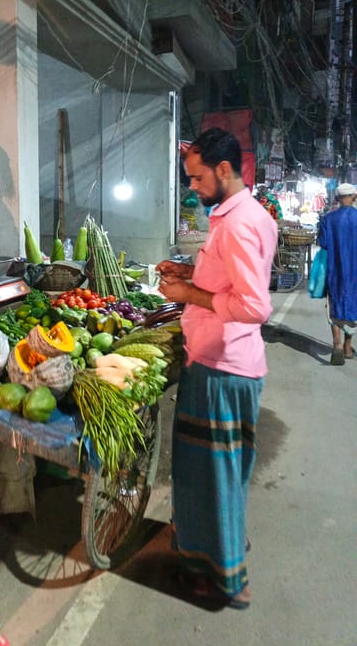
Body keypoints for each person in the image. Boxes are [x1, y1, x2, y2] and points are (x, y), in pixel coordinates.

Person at [156, 127, 278, 610]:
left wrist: (188, 295)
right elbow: (230, 279)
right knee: (206, 472)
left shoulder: (239, 223)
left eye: (197, 177)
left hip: (222, 370)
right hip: (218, 362)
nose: (192, 187)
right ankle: (204, 562)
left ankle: (228, 579)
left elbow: (253, 306)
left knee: (217, 476)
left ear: (223, 170)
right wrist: (192, 274)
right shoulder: (242, 214)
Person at [317, 182, 357, 365]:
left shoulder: (328, 219)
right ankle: (349, 347)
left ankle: (337, 346)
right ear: (354, 197)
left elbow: (323, 244)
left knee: (334, 304)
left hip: (335, 270)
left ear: (338, 198)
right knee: (353, 306)